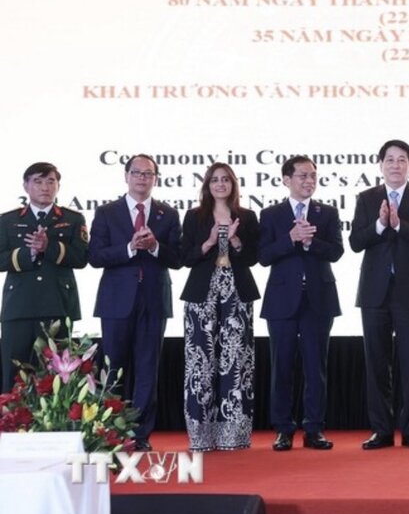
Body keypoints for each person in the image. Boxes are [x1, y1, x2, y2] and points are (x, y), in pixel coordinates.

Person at [350, 139, 409, 450]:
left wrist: (400, 225)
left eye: (402, 160)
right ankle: (382, 430)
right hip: (374, 293)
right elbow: (356, 241)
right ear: (381, 165)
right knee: (376, 363)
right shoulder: (366, 198)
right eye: (390, 160)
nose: (396, 165)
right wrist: (379, 224)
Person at [89, 154, 182, 451]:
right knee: (112, 368)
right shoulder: (107, 212)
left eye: (149, 174)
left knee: (146, 369)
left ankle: (140, 434)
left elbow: (178, 258)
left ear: (156, 178)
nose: (142, 178)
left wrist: (155, 247)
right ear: (126, 176)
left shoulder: (167, 214)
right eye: (137, 173)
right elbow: (95, 257)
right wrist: (129, 248)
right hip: (117, 301)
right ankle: (109, 431)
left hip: (153, 300)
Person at [258, 155, 343, 451]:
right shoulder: (271, 214)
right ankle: (283, 429)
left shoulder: (327, 212)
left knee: (315, 367)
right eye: (302, 176)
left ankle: (314, 428)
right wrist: (291, 238)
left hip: (318, 299)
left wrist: (310, 243)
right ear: (286, 179)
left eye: (313, 176)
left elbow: (336, 252)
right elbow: (263, 256)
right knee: (281, 366)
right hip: (282, 301)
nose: (309, 181)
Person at [180, 163, 260, 451]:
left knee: (236, 362)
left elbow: (254, 258)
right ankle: (201, 436)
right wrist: (210, 241)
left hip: (237, 294)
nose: (220, 184)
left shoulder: (248, 216)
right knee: (201, 364)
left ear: (233, 184)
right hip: (202, 294)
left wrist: (236, 240)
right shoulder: (193, 216)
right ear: (207, 185)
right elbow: (184, 257)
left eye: (226, 179)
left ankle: (233, 435)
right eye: (215, 180)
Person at [0, 162, 89, 391]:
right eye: (38, 181)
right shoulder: (7, 220)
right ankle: (11, 422)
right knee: (14, 372)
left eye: (51, 181)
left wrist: (50, 247)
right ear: (26, 186)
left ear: (58, 186)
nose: (45, 187)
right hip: (19, 306)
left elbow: (81, 258)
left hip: (57, 304)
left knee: (56, 374)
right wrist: (28, 254)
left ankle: (53, 424)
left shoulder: (73, 218)